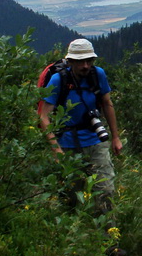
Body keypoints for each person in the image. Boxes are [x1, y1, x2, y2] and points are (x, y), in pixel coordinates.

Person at [38, 38, 123, 214]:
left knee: (105, 191)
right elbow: (44, 117)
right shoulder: (57, 80)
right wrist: (57, 150)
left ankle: (107, 237)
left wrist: (115, 137)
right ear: (70, 61)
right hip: (68, 145)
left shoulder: (97, 74)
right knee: (70, 196)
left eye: (89, 61)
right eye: (80, 61)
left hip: (96, 140)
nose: (85, 66)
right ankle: (73, 234)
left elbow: (107, 103)